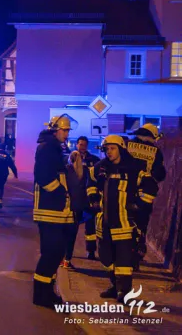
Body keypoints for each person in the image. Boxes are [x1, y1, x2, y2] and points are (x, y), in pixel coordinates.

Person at [87, 135, 140, 302]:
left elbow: (150, 188)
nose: (109, 152)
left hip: (123, 221)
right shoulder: (100, 168)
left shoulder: (133, 168)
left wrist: (138, 205)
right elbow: (91, 183)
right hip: (104, 221)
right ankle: (114, 286)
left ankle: (125, 292)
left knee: (124, 260)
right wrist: (94, 198)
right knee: (105, 257)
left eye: (112, 148)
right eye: (107, 149)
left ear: (121, 149)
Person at [32, 114, 76, 309]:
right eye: (64, 130)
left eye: (67, 131)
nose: (66, 134)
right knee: (51, 252)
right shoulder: (48, 147)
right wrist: (60, 192)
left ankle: (47, 292)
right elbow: (42, 175)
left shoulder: (54, 147)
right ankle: (41, 295)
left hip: (55, 210)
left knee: (55, 252)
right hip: (49, 209)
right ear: (55, 130)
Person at [127, 123, 166, 269]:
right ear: (151, 136)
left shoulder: (127, 145)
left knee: (124, 224)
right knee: (141, 226)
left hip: (126, 192)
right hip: (145, 195)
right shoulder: (156, 151)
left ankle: (123, 256)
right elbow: (160, 174)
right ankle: (136, 256)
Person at [75, 136, 101, 260]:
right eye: (80, 144)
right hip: (74, 196)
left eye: (84, 145)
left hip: (87, 197)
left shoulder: (94, 160)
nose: (82, 147)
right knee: (71, 225)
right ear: (76, 145)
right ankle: (67, 252)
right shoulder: (70, 159)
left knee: (90, 226)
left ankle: (91, 251)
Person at [0, 141, 18, 209]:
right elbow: (12, 166)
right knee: (0, 186)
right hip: (3, 173)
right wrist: (15, 174)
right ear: (5, 148)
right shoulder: (7, 156)